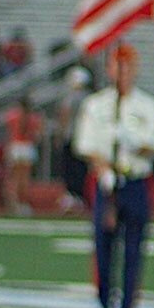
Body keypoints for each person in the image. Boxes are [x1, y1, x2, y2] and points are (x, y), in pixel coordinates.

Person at [75, 44, 154, 308]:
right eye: (118, 66)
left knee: (133, 249)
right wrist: (103, 169)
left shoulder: (149, 106)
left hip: (136, 179)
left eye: (128, 66)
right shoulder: (96, 105)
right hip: (107, 182)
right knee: (104, 250)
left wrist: (131, 142)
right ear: (109, 69)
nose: (122, 72)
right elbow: (86, 144)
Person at [55, 65, 93, 213]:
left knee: (70, 168)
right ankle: (79, 197)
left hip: (71, 137)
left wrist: (60, 133)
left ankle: (72, 195)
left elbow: (64, 116)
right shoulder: (89, 97)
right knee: (81, 168)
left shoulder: (70, 97)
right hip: (84, 138)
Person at [3, 96, 44, 216]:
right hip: (27, 147)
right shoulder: (34, 118)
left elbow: (9, 131)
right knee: (25, 178)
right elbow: (39, 134)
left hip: (16, 146)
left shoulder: (12, 115)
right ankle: (23, 203)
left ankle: (13, 203)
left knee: (14, 178)